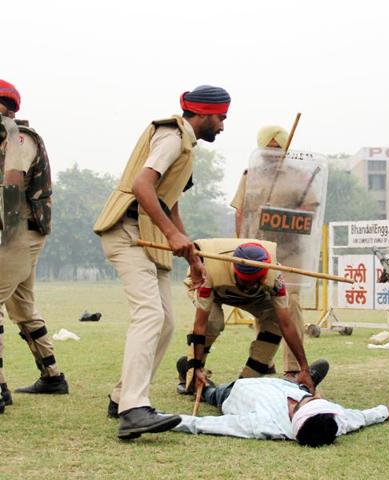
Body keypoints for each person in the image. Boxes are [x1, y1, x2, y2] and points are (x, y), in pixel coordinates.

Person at [93, 84, 230, 439]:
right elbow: (142, 185)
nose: (223, 126)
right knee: (150, 315)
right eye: (220, 118)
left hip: (149, 236)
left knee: (166, 323)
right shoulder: (172, 135)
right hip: (127, 231)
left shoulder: (186, 145)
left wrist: (192, 255)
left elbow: (168, 202)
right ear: (202, 113)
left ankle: (123, 396)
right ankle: (134, 411)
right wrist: (172, 236)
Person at [231, 125, 324, 381]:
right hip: (259, 251)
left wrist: (283, 218)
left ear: (285, 149)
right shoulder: (250, 175)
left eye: (276, 150)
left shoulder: (301, 176)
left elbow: (309, 213)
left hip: (291, 251)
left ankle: (294, 368)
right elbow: (241, 212)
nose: (271, 155)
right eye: (267, 150)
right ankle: (264, 362)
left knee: (289, 303)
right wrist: (241, 246)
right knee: (264, 304)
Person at [0, 80, 68, 413]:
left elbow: (11, 188)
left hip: (17, 232)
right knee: (22, 308)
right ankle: (52, 376)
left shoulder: (18, 139)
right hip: (16, 232)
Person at [178, 238, 315, 394]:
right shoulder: (207, 273)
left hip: (255, 296)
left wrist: (304, 368)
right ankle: (192, 374)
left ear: (263, 278)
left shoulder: (275, 278)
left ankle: (247, 381)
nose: (247, 286)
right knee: (213, 322)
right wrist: (195, 367)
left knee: (276, 319)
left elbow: (287, 325)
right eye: (244, 282)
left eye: (252, 283)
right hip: (214, 289)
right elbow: (200, 325)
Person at [173, 362, 389, 446]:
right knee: (303, 384)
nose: (317, 397)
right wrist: (384, 412)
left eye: (311, 398)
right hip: (283, 386)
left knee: (212, 392)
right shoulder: (336, 420)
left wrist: (169, 420)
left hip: (235, 392)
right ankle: (304, 381)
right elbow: (361, 417)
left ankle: (199, 385)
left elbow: (205, 424)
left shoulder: (263, 425)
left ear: (297, 411)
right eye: (315, 398)